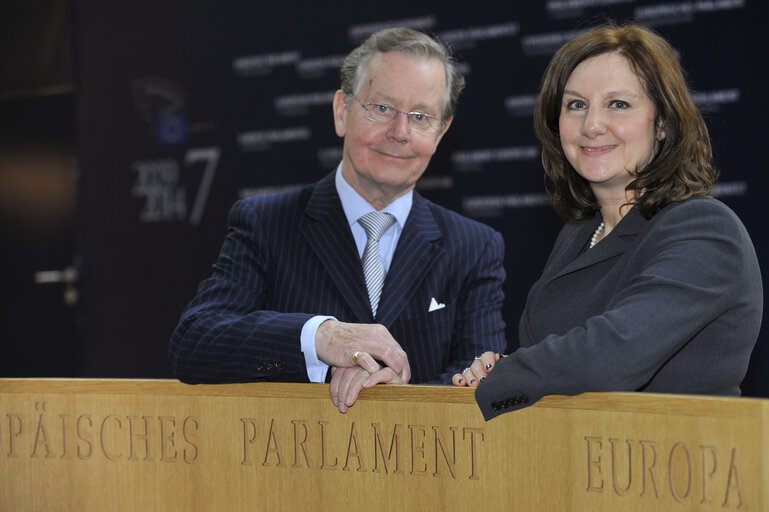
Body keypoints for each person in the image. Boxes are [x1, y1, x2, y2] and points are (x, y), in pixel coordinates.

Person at [169, 27, 506, 413]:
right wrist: (317, 339)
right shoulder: (266, 223)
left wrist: (399, 392)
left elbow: (481, 381)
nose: (400, 132)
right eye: (382, 108)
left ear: (442, 131)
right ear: (341, 112)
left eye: (420, 116)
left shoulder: (475, 246)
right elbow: (195, 347)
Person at [453, 23, 762, 421]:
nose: (592, 125)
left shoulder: (705, 229)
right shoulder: (579, 234)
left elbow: (613, 354)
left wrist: (509, 374)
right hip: (572, 468)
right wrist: (500, 367)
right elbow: (565, 356)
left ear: (663, 123)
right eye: (576, 105)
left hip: (672, 472)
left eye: (618, 104)